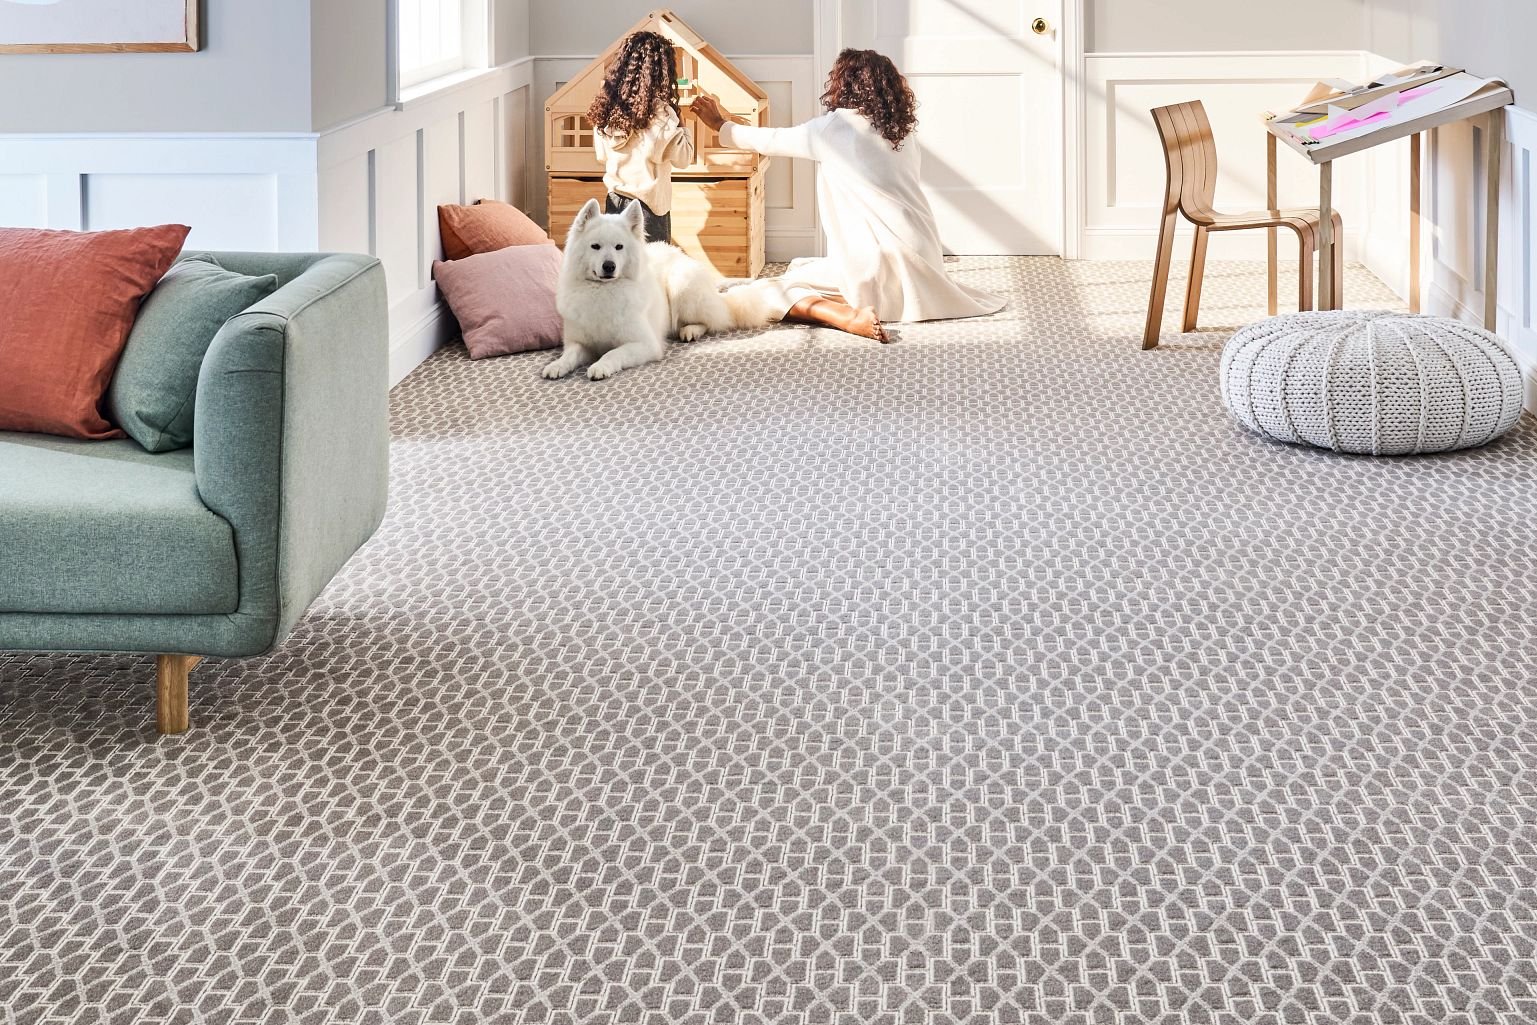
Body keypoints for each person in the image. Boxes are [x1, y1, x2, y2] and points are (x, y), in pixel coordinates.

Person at [692, 48, 1005, 342]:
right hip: (924, 256)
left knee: (768, 292)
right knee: (802, 269)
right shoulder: (903, 132)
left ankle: (845, 317)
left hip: (874, 264)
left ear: (843, 85)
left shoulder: (835, 129)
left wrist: (720, 123)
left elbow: (772, 139)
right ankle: (862, 300)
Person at [587, 31, 696, 244]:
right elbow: (684, 159)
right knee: (652, 266)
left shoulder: (606, 109)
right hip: (650, 208)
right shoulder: (662, 115)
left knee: (622, 264)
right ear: (662, 72)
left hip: (615, 202)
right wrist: (682, 125)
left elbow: (601, 156)